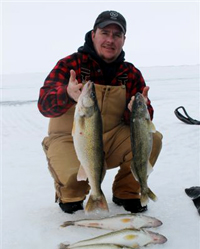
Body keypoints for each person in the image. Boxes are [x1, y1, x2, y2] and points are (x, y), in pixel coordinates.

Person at [38, 10, 163, 214]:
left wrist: (138, 111)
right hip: (72, 140)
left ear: (123, 40)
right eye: (105, 32)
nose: (110, 40)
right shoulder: (70, 65)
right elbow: (44, 104)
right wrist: (67, 94)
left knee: (152, 138)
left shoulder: (130, 73)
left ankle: (128, 192)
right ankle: (74, 192)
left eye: (117, 35)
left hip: (111, 139)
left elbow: (143, 122)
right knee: (72, 196)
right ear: (94, 34)